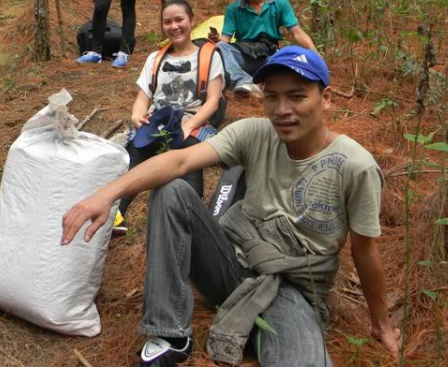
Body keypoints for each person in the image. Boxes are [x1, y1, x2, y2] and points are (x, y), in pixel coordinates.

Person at [62, 46, 400, 367]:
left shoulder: (355, 165)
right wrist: (108, 194)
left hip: (292, 285)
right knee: (172, 191)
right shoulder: (255, 133)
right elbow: (179, 161)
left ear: (325, 99)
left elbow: (364, 250)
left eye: (297, 96)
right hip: (232, 264)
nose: (282, 109)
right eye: (272, 96)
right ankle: (171, 334)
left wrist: (381, 323)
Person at [113, 0, 225, 235]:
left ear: (191, 21)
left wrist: (190, 126)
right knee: (137, 149)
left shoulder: (209, 56)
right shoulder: (155, 58)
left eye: (179, 20)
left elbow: (213, 100)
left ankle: (191, 217)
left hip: (191, 117)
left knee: (188, 152)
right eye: (167, 22)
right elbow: (144, 97)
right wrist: (137, 116)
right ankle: (117, 213)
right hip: (158, 117)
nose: (174, 26)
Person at [211, 0, 316, 97]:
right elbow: (225, 40)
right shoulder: (233, 9)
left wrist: (315, 53)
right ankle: (244, 82)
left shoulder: (280, 4)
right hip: (244, 55)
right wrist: (216, 43)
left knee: (293, 56)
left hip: (270, 55)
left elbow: (297, 32)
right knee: (219, 47)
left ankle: (263, 81)